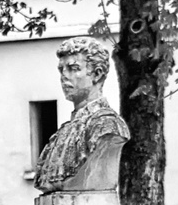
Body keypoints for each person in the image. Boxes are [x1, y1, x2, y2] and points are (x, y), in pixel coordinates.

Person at [33, 36, 129, 194]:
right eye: (61, 69)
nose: (64, 76)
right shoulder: (61, 133)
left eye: (73, 68)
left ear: (96, 74)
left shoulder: (107, 126)